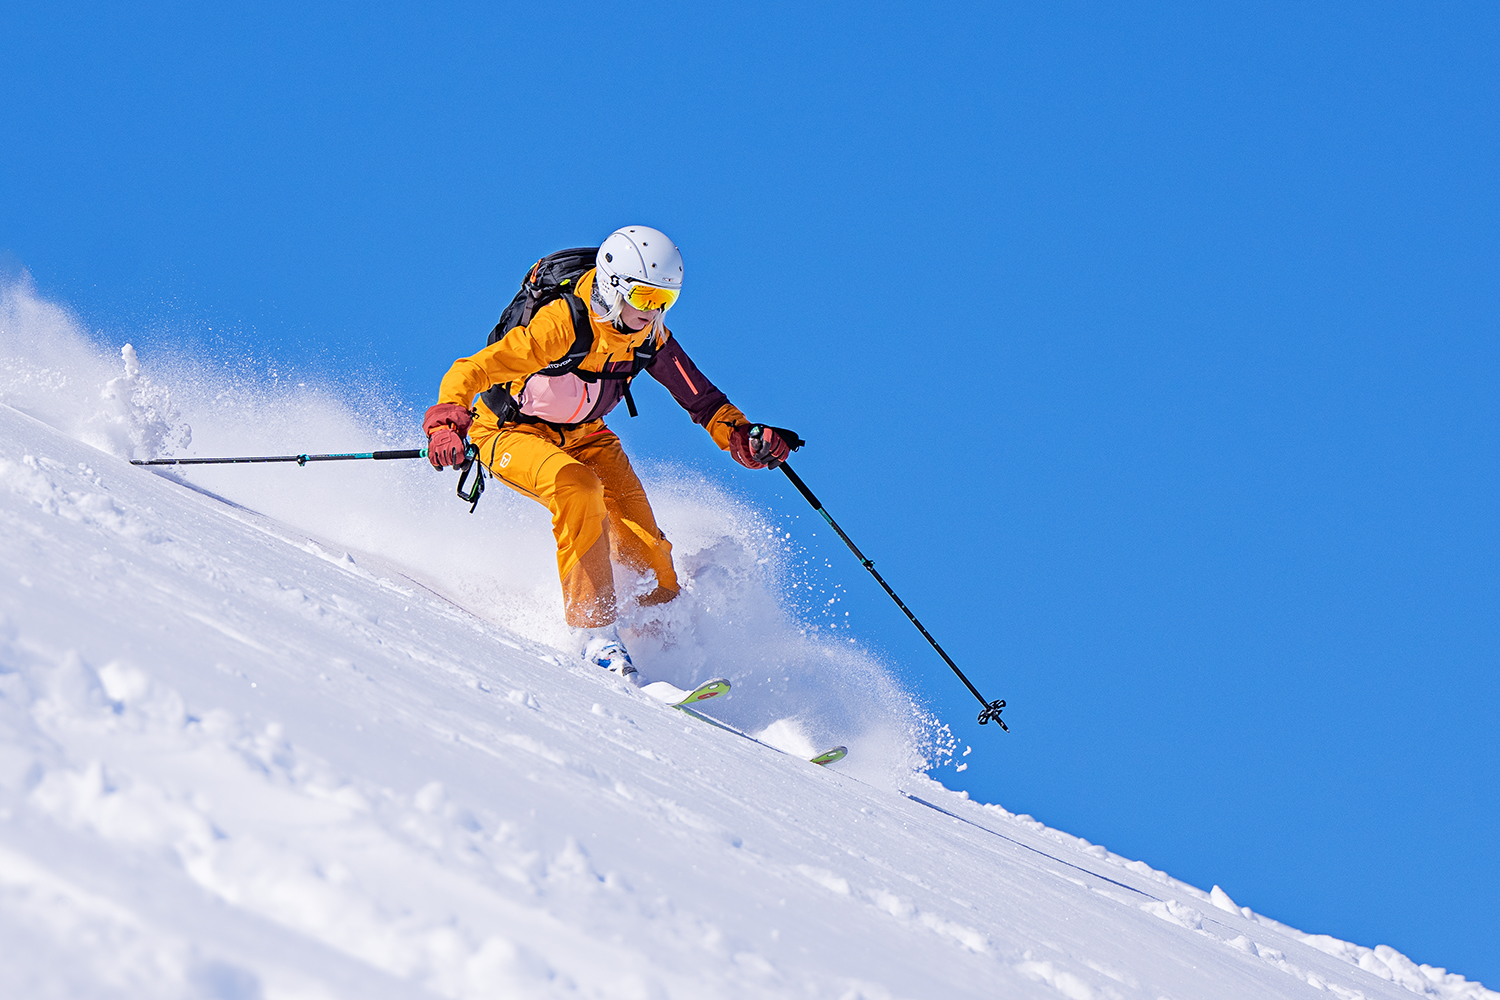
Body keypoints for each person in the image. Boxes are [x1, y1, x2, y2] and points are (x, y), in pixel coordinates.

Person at [423, 226, 793, 679]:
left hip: (588, 435)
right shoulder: (562, 325)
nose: (652, 312)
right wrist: (446, 423)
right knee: (577, 490)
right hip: (510, 432)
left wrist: (743, 436)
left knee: (647, 546)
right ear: (614, 287)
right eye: (644, 297)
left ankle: (666, 651)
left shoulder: (649, 338)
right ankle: (596, 636)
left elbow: (705, 402)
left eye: (665, 301)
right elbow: (473, 369)